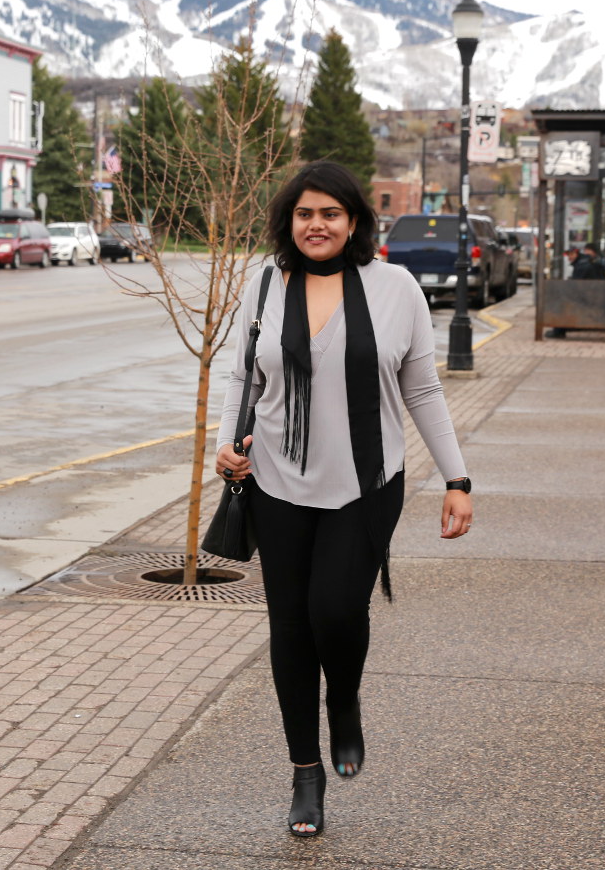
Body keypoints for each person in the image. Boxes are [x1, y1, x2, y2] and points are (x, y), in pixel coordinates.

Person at [215, 161, 472, 838]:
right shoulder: (265, 283)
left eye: (330, 213)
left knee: (335, 608)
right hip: (276, 479)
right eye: (305, 214)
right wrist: (226, 444)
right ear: (288, 222)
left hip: (367, 481)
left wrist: (457, 478)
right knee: (290, 627)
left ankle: (347, 700)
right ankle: (306, 772)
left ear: (354, 220)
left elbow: (422, 390)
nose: (317, 224)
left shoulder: (394, 288)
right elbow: (243, 373)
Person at [545, 245, 604, 338]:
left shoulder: (582, 265)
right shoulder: (584, 262)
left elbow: (576, 284)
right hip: (593, 294)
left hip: (589, 297)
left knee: (562, 303)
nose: (569, 257)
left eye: (572, 254)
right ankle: (558, 330)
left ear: (577, 253)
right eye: (568, 255)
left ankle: (558, 331)